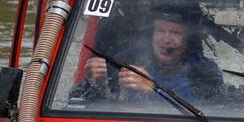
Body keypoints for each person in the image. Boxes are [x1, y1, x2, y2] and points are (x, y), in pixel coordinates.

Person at [71, 6, 223, 104]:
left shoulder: (205, 71)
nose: (166, 38)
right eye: (160, 31)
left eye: (175, 32)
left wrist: (152, 88)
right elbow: (77, 101)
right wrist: (95, 83)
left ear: (188, 39)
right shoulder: (127, 58)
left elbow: (202, 112)